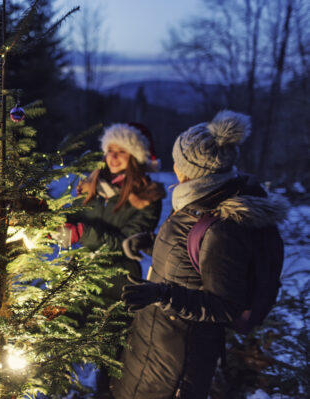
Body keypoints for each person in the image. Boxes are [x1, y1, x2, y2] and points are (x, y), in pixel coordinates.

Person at [112, 110, 287, 399]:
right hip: (158, 341)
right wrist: (151, 242)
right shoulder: (205, 199)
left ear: (187, 169)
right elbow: (195, 258)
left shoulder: (221, 225)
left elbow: (225, 305)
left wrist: (161, 294)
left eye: (177, 160)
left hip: (178, 360)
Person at [65, 123, 165, 397]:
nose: (113, 156)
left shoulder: (148, 196)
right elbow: (69, 221)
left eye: (122, 151)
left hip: (117, 286)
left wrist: (83, 233)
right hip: (79, 280)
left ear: (135, 156)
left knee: (110, 365)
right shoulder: (92, 185)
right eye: (110, 150)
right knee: (57, 349)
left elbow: (127, 243)